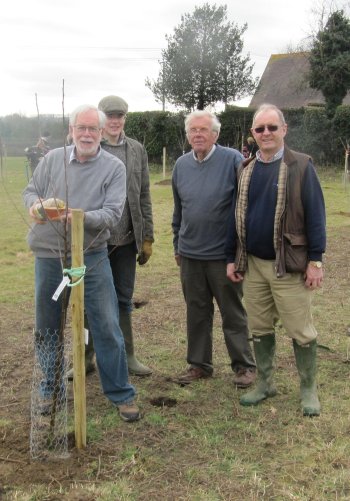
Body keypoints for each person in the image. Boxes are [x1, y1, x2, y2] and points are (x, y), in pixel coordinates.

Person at [23, 104, 140, 422]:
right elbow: (30, 191)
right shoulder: (51, 159)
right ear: (71, 131)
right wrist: (36, 206)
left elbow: (113, 215)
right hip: (49, 254)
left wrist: (75, 217)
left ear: (102, 133)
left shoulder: (114, 168)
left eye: (93, 129)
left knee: (105, 322)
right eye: (81, 128)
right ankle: (50, 389)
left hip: (91, 254)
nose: (87, 134)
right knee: (48, 324)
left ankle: (120, 393)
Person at [226, 103, 326, 417]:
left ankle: (308, 389)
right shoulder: (245, 168)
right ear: (253, 135)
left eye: (272, 127)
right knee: (259, 326)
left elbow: (316, 216)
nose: (266, 133)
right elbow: (236, 218)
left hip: (289, 265)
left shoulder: (301, 165)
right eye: (260, 129)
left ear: (284, 129)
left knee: (300, 330)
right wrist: (233, 258)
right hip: (253, 264)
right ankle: (265, 383)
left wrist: (316, 261)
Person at [171, 110, 256, 387]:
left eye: (203, 130)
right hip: (190, 255)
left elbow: (244, 206)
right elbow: (178, 209)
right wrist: (177, 244)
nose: (197, 134)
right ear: (187, 135)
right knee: (196, 312)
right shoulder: (181, 166)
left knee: (232, 312)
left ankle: (244, 366)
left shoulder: (233, 160)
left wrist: (238, 254)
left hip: (223, 256)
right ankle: (199, 365)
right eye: (193, 130)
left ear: (215, 135)